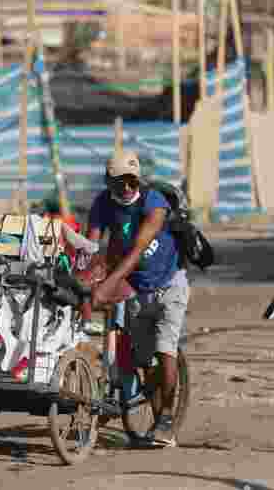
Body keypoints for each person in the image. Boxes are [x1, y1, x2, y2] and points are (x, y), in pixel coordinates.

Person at [87, 150, 190, 448]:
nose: (128, 189)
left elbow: (136, 251)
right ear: (108, 182)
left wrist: (108, 285)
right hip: (136, 291)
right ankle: (157, 427)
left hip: (170, 284)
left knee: (164, 350)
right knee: (144, 361)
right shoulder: (102, 204)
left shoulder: (153, 202)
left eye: (133, 182)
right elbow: (91, 246)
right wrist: (84, 272)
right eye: (121, 183)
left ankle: (167, 420)